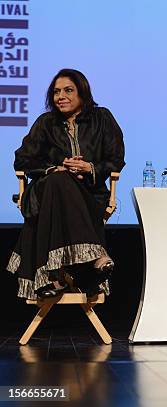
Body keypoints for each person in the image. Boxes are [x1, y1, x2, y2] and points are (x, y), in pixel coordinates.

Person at [6, 68, 125, 299]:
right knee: (58, 179)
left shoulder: (102, 118)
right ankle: (93, 259)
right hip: (47, 195)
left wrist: (89, 168)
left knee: (61, 182)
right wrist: (55, 168)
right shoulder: (46, 123)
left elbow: (116, 159)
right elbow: (22, 159)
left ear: (82, 92)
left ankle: (57, 276)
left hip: (90, 196)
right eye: (56, 92)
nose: (61, 96)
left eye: (68, 90)